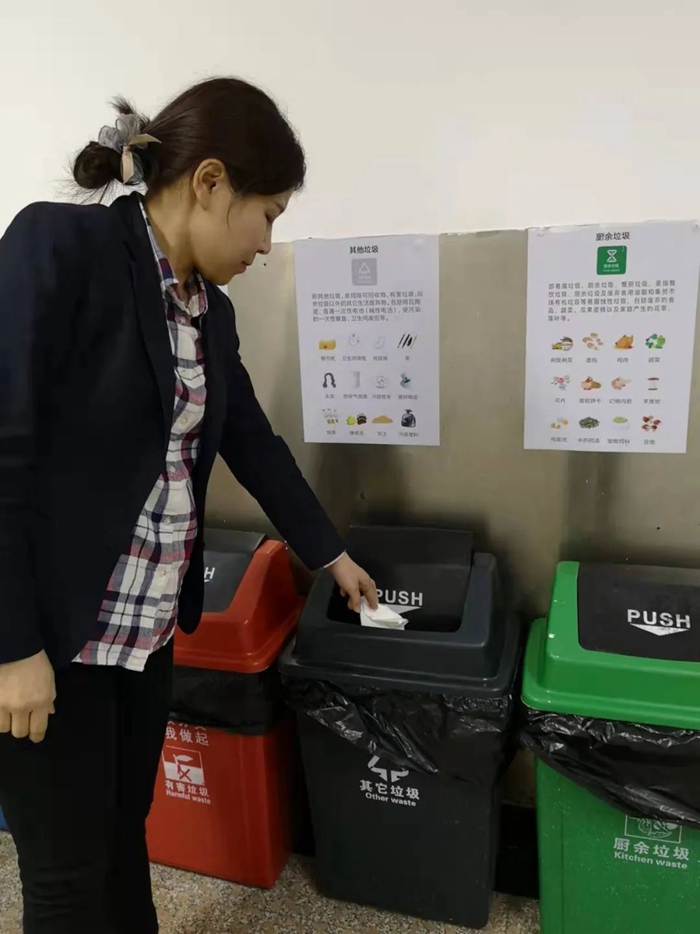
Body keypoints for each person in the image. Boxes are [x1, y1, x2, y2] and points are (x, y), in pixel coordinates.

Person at [0, 76, 378, 934]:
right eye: (267, 215)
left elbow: (252, 440)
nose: (268, 244)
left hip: (145, 637)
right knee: (65, 880)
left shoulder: (210, 313)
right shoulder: (58, 248)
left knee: (120, 840)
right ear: (210, 182)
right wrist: (13, 646)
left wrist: (330, 552)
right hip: (53, 639)